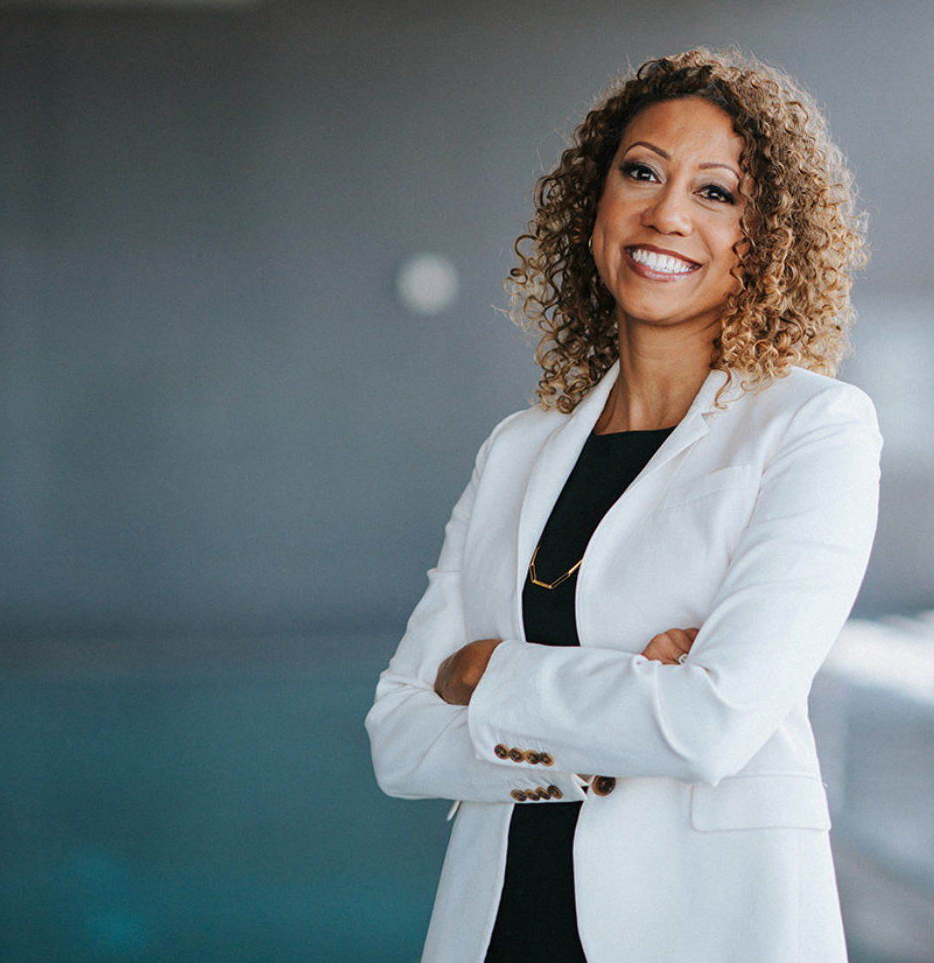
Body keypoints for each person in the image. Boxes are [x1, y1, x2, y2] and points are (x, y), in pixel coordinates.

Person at [366, 48, 881, 963]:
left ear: (766, 239)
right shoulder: (517, 449)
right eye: (640, 171)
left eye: (716, 193)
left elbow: (711, 723)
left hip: (705, 929)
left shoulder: (813, 429)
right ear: (593, 205)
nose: (667, 214)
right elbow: (400, 739)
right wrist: (626, 700)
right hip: (499, 931)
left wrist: (487, 672)